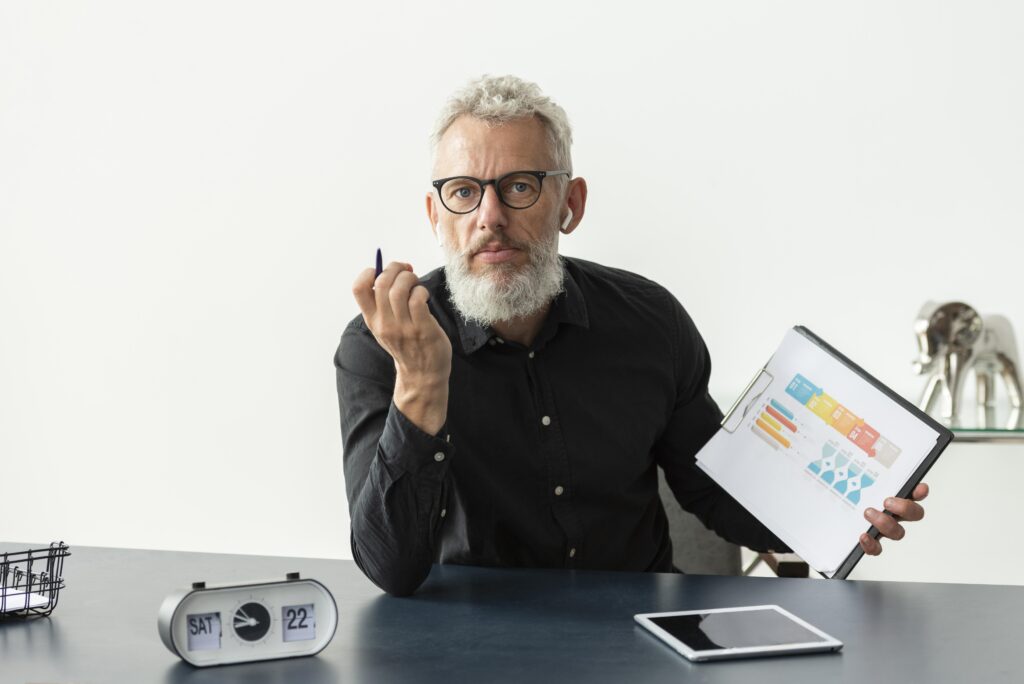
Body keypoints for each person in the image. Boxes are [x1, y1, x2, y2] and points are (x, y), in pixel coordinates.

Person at [335, 75, 928, 597]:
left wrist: (842, 514)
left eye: (519, 186)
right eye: (463, 192)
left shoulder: (651, 323)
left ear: (571, 203)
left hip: (639, 631)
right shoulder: (379, 346)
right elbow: (390, 568)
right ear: (436, 215)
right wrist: (420, 383)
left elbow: (714, 493)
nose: (489, 216)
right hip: (467, 640)